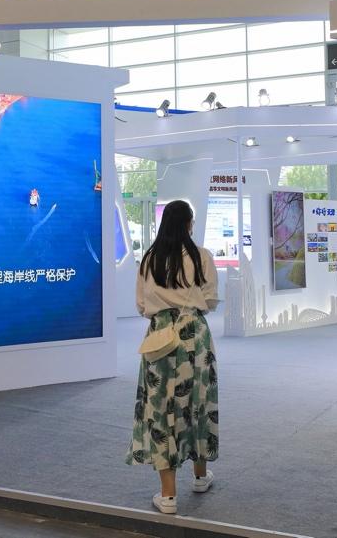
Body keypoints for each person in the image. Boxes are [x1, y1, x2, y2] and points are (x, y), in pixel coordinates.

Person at [126, 199, 219, 515]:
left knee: (162, 408)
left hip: (160, 336)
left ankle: (168, 496)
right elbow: (210, 301)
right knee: (198, 401)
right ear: (189, 224)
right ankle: (200, 476)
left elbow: (142, 306)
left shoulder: (149, 259)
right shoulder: (201, 256)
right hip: (194, 334)